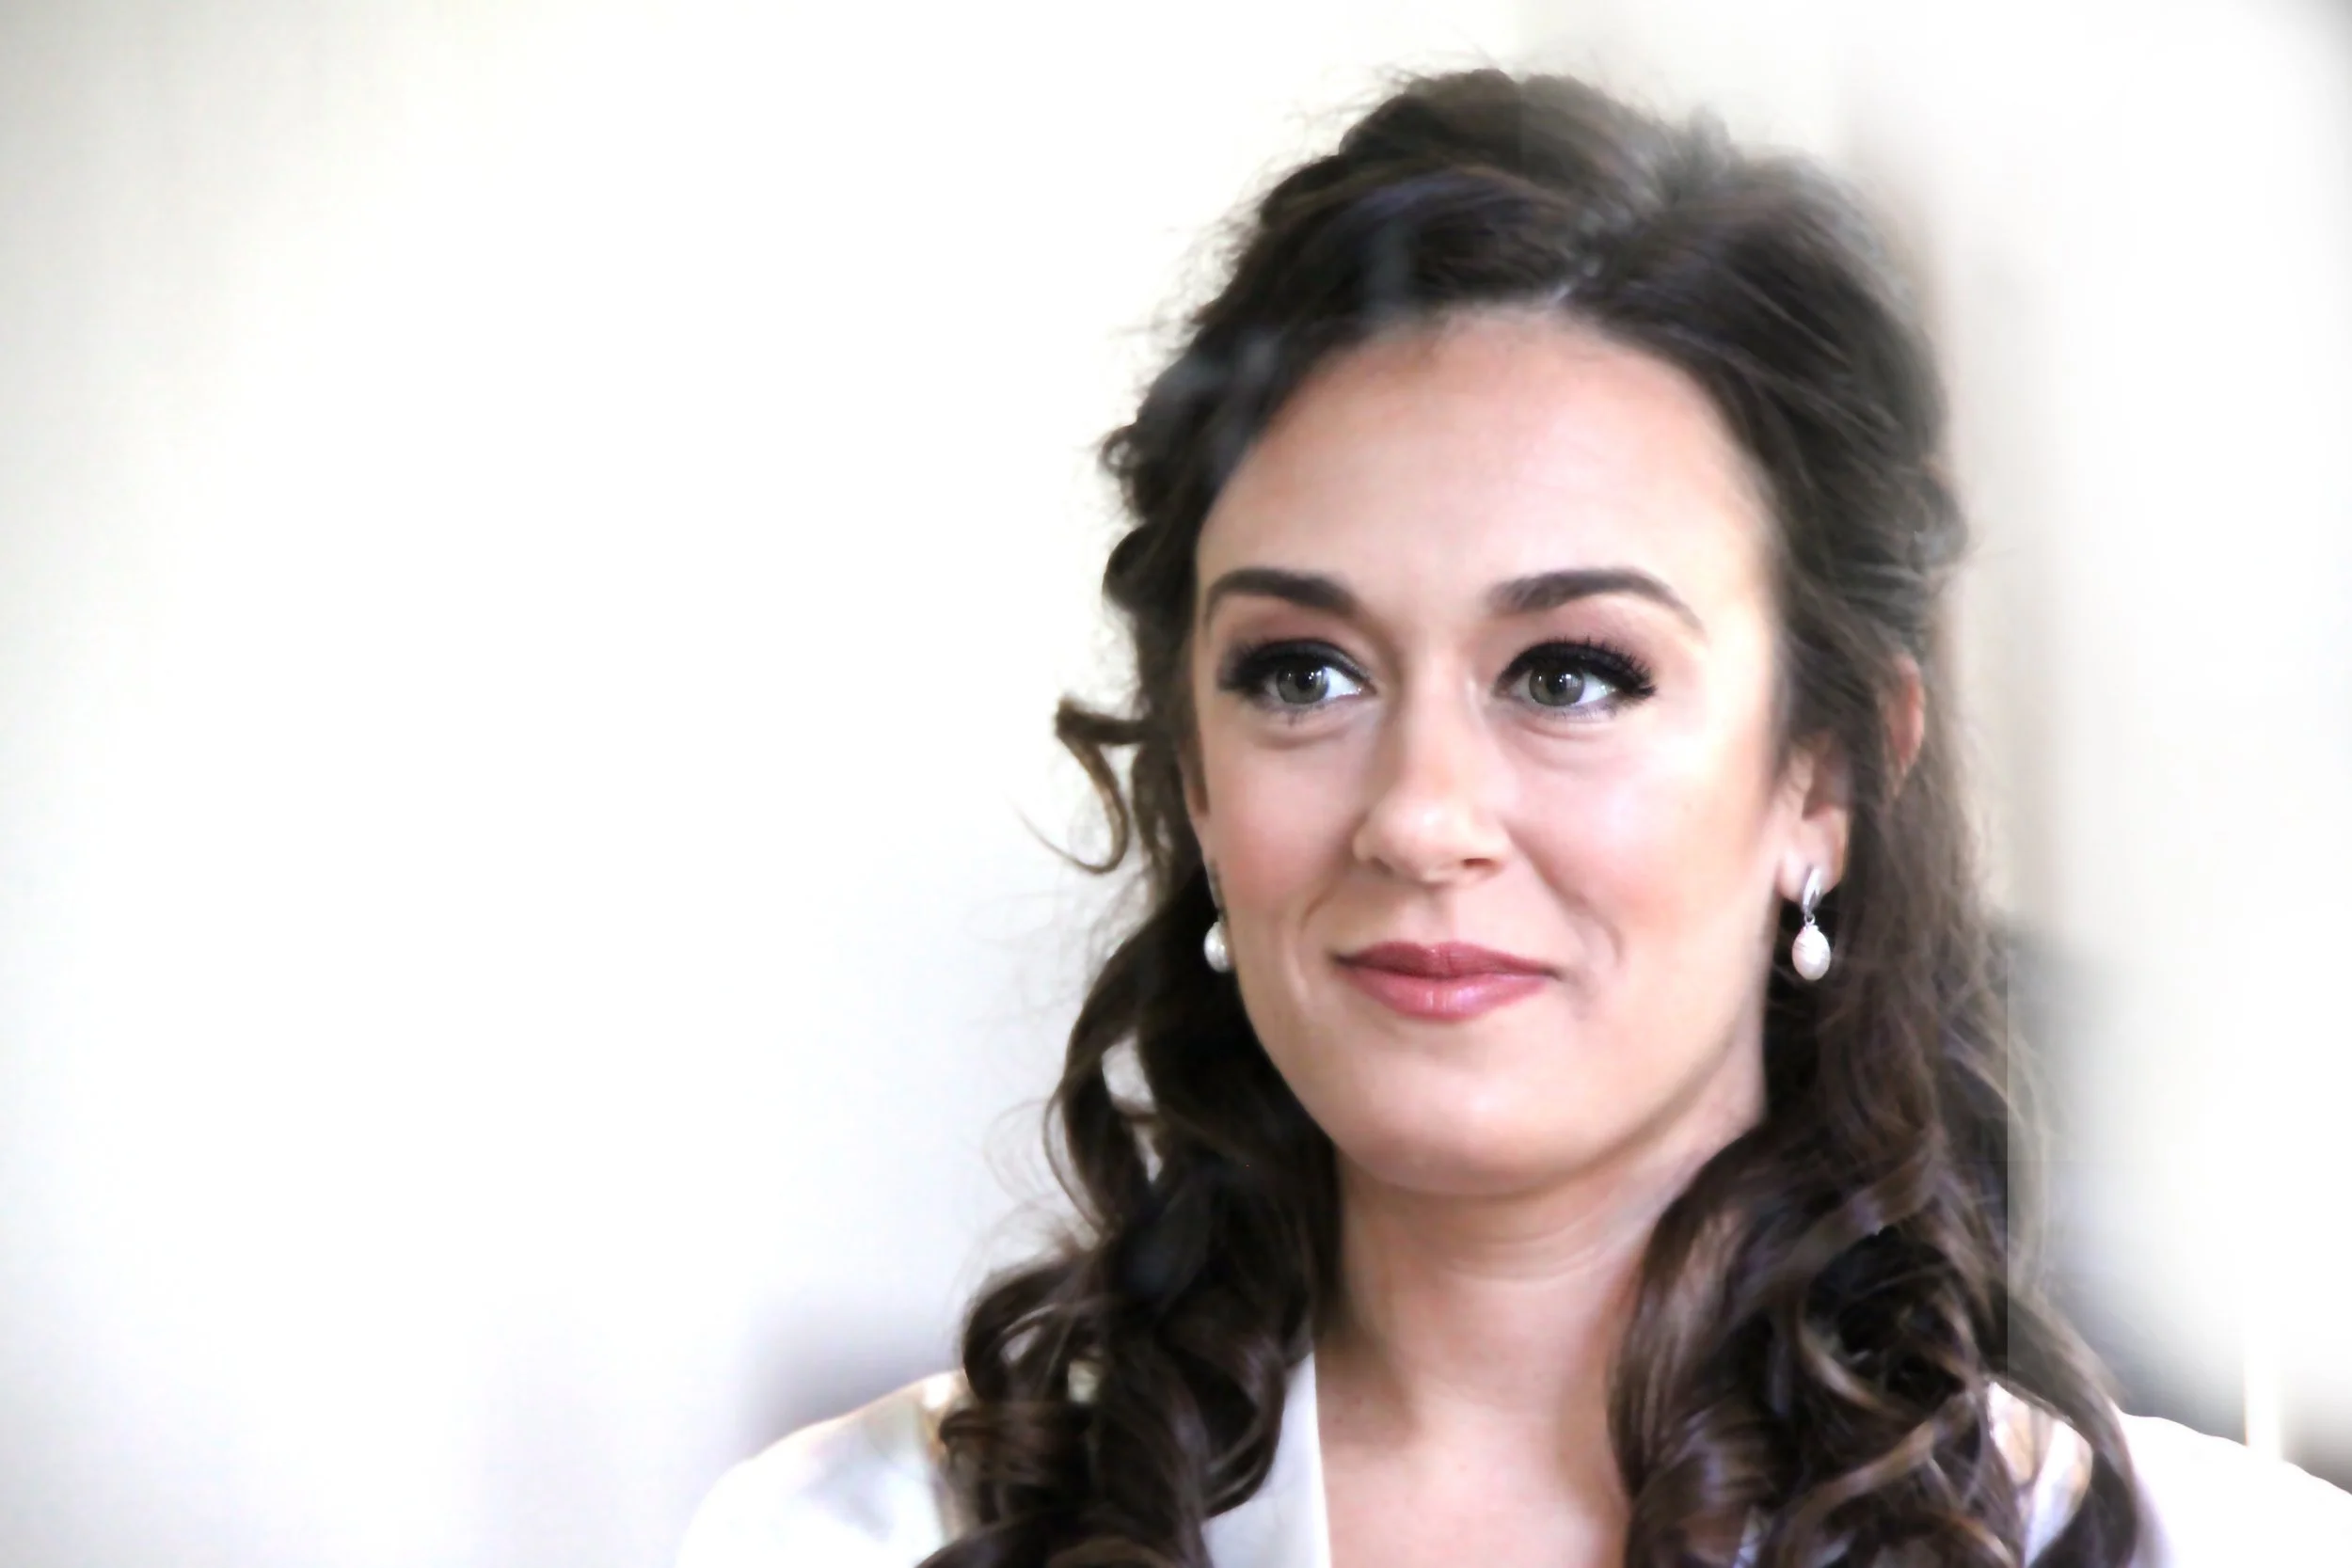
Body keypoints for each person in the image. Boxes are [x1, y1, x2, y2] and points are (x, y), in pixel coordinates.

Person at [676, 69, 2352, 1568]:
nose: (1421, 818)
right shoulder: (847, 1541)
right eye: (1303, 672)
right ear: (1193, 769)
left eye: (1570, 675)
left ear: (1827, 776)